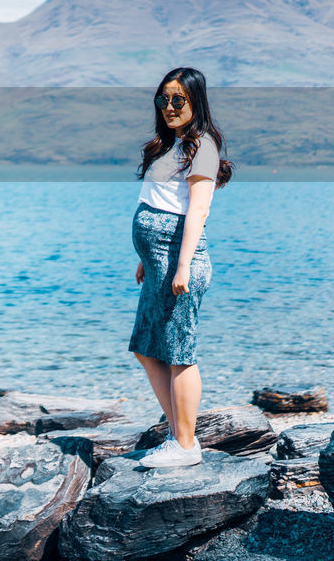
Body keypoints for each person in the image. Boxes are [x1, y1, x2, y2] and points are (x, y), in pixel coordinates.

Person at [129, 67, 233, 468]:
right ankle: (178, 436)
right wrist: (146, 258)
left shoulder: (201, 146)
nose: (169, 107)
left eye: (178, 100)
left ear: (195, 102)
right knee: (146, 348)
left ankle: (187, 446)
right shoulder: (165, 145)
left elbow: (198, 210)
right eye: (163, 99)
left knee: (178, 352)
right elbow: (160, 204)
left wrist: (182, 266)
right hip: (158, 263)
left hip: (179, 263)